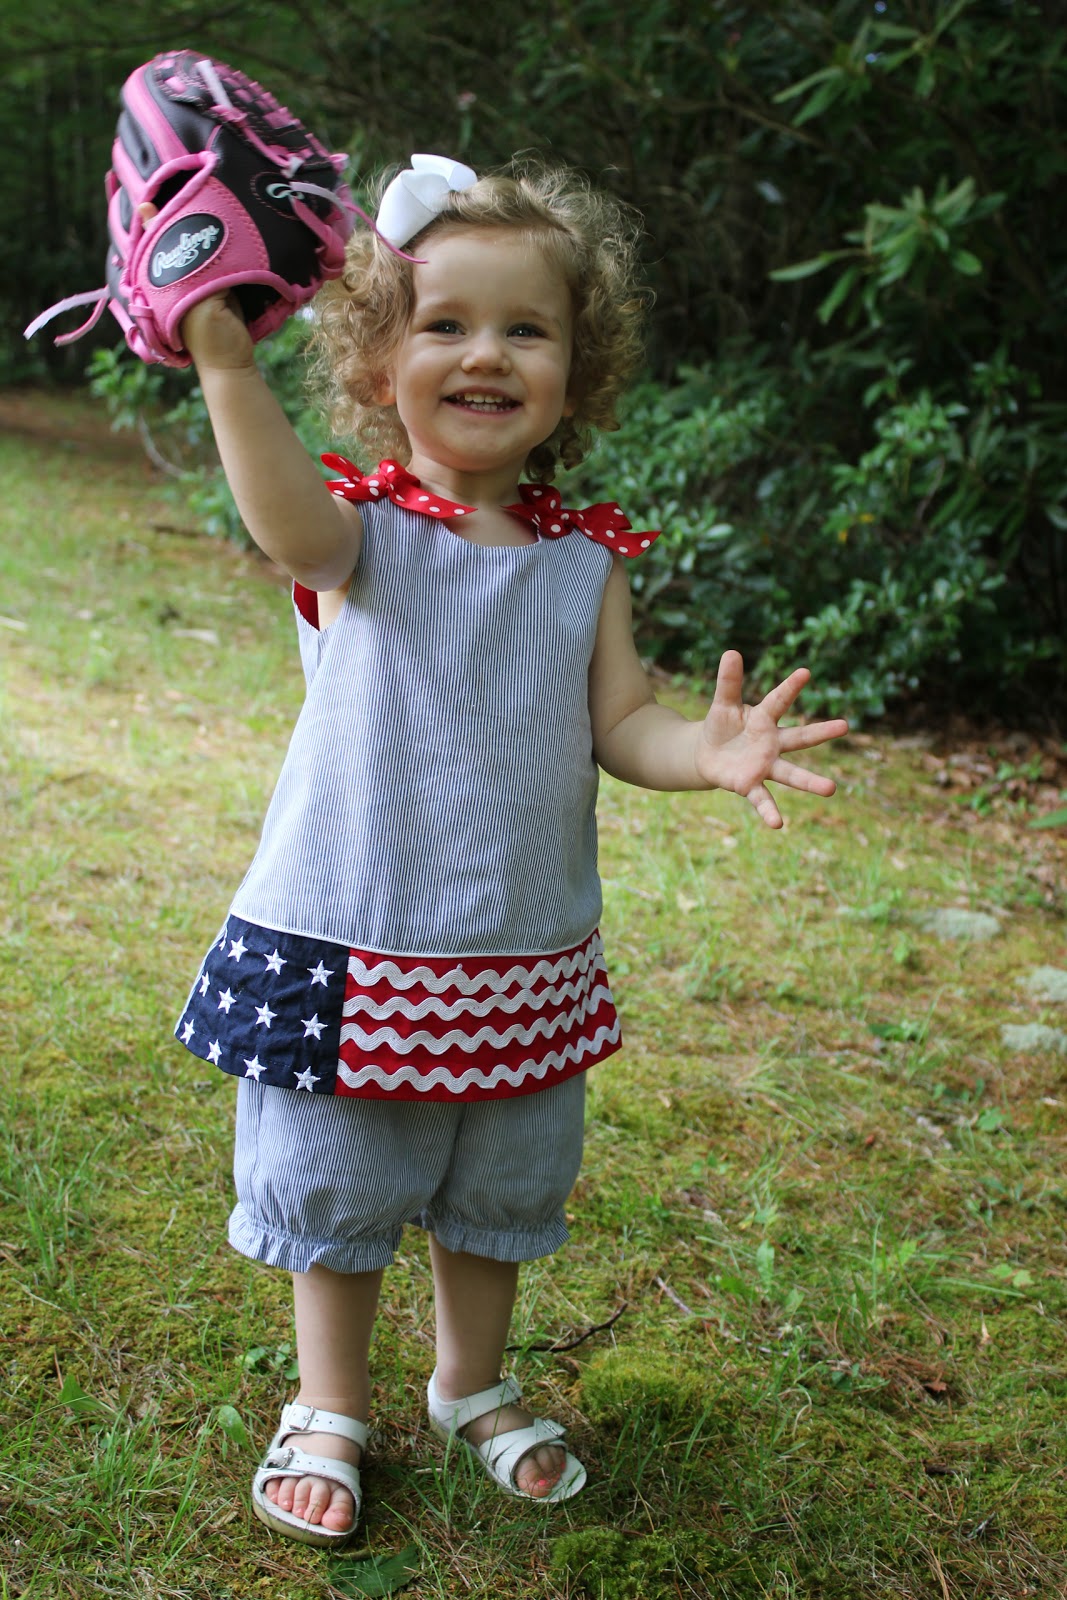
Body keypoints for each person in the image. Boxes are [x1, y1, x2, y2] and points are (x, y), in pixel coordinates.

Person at [170, 152, 848, 1547]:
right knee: (343, 1183)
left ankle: (469, 1385)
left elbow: (623, 724)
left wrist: (703, 752)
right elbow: (281, 518)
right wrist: (226, 362)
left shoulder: (586, 561)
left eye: (526, 328)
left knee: (500, 1188)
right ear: (378, 363)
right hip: (360, 941)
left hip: (523, 947)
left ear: (575, 372)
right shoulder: (357, 535)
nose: (485, 353)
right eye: (445, 323)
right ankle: (329, 1404)